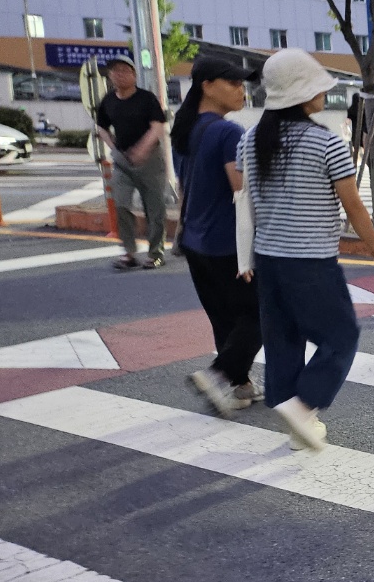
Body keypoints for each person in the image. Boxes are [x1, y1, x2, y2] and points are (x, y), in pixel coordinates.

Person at [236, 49, 374, 451]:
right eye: (319, 88)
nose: (324, 94)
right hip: (311, 261)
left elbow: (244, 202)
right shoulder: (326, 143)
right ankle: (304, 405)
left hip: (268, 260)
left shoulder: (250, 141)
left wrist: (244, 257)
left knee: (284, 340)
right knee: (341, 336)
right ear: (303, 95)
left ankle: (298, 424)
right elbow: (353, 206)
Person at [171, 55, 262, 417]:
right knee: (262, 314)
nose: (242, 91)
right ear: (207, 86)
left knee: (225, 318)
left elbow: (183, 188)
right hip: (228, 242)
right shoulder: (228, 132)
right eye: (234, 83)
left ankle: (239, 386)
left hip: (196, 240)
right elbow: (242, 191)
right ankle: (218, 374)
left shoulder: (185, 130)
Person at [95, 55, 169, 270]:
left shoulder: (146, 99)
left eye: (124, 70)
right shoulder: (108, 101)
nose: (119, 75)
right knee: (120, 204)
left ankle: (156, 253)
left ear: (134, 75)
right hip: (123, 161)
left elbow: (158, 127)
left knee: (154, 209)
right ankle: (128, 252)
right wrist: (113, 147)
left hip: (150, 161)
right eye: (115, 71)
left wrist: (142, 149)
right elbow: (100, 127)